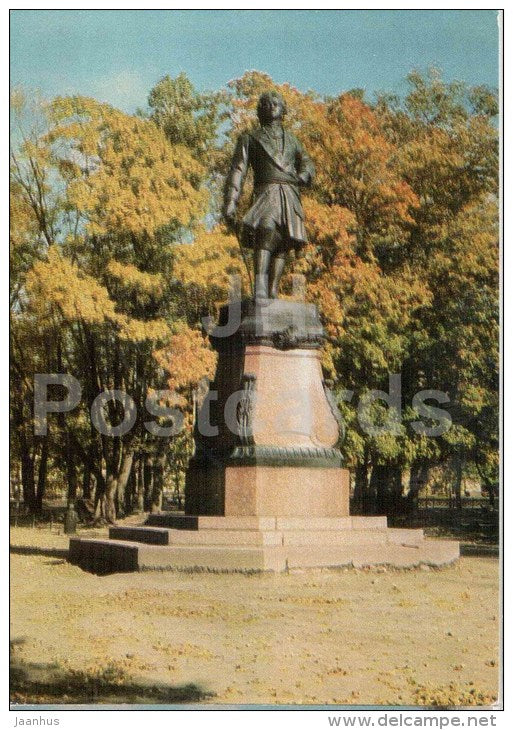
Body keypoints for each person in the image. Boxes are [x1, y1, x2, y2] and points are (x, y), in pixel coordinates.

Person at [223, 91, 315, 300]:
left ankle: (272, 290)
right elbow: (238, 170)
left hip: (289, 192)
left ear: (284, 110)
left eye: (276, 103)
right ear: (259, 110)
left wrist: (304, 174)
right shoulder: (250, 138)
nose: (271, 106)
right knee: (265, 232)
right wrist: (230, 203)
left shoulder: (293, 140)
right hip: (266, 191)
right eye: (265, 103)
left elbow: (307, 162)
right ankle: (261, 288)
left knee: (283, 240)